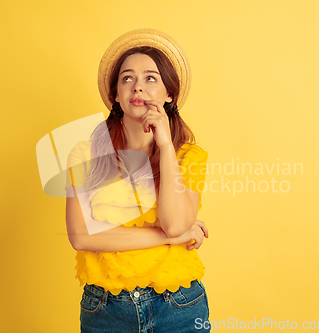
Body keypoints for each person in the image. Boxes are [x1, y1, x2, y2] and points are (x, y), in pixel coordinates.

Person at [65, 29, 210, 333]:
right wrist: (173, 239)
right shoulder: (84, 154)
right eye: (127, 79)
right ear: (116, 95)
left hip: (179, 306)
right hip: (105, 308)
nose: (137, 87)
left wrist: (167, 146)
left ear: (169, 94)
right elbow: (81, 237)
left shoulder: (189, 156)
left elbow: (174, 223)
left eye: (151, 78)